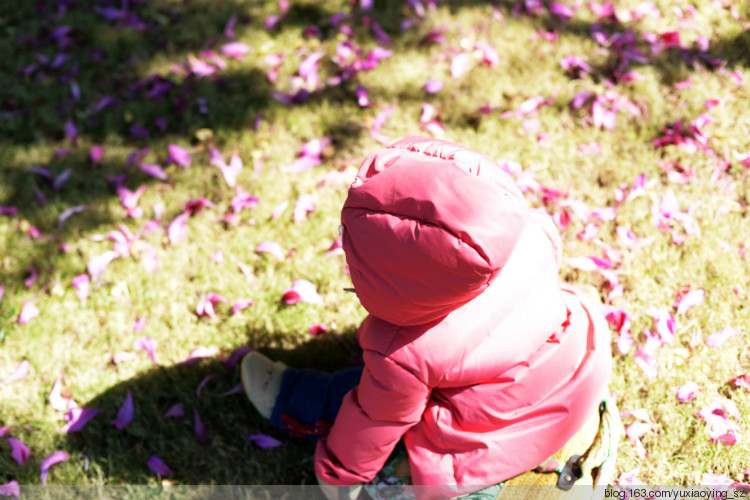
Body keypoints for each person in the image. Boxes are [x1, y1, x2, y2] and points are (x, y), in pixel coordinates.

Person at [242, 137, 617, 500]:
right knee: (397, 383)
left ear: (388, 276)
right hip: (575, 367)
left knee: (375, 397)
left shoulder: (402, 350)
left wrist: (339, 477)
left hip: (494, 437)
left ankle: (294, 402)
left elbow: (376, 420)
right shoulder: (533, 231)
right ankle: (298, 396)